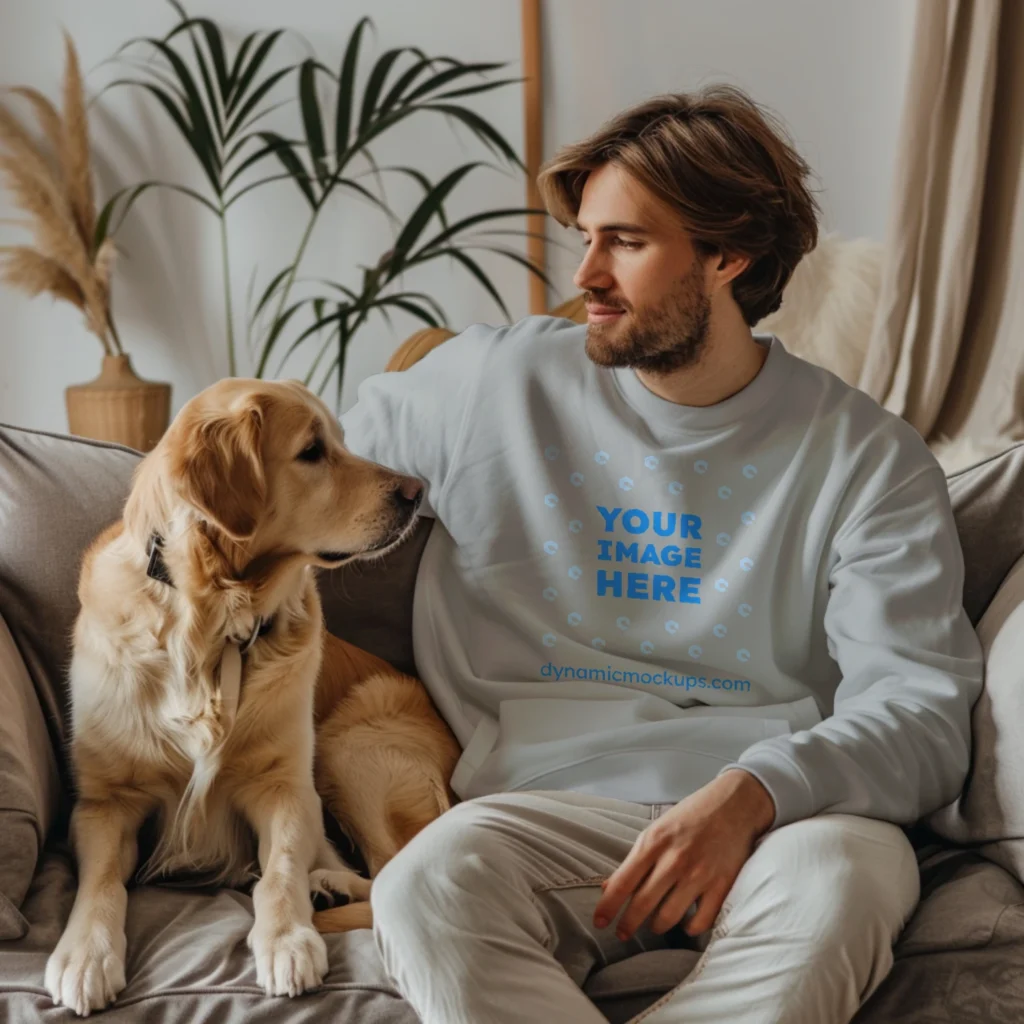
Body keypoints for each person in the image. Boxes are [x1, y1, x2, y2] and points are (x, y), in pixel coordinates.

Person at [338, 86, 983, 1024]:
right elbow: (294, 478)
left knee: (842, 880)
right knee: (426, 886)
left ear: (729, 255)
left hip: (789, 819)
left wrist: (758, 790)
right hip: (547, 806)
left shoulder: (865, 457)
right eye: (587, 238)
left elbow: (923, 716)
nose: (587, 275)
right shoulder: (487, 384)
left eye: (627, 243)